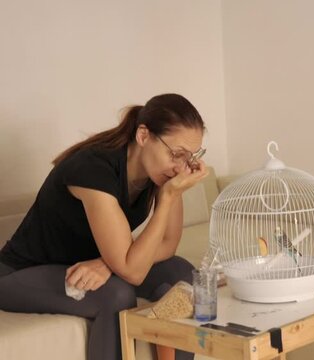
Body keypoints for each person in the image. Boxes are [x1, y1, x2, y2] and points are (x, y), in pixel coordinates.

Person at [0, 93, 210, 360]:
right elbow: (132, 273)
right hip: (20, 275)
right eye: (177, 154)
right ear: (144, 136)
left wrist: (107, 263)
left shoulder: (157, 171)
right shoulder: (93, 170)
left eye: (190, 158)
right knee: (115, 295)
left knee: (185, 275)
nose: (181, 167)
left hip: (83, 265)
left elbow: (168, 244)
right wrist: (169, 196)